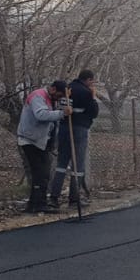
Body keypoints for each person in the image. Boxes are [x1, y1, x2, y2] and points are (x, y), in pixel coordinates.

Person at [47, 70, 100, 209]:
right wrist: (93, 97)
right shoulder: (85, 92)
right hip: (79, 129)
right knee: (78, 165)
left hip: (63, 128)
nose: (92, 84)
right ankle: (74, 199)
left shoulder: (67, 88)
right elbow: (94, 112)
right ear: (88, 80)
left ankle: (54, 197)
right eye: (92, 81)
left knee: (61, 164)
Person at [16, 79, 70, 213]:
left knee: (42, 173)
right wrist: (62, 113)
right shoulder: (38, 96)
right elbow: (41, 115)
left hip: (40, 141)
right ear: (52, 89)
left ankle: (36, 203)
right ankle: (38, 204)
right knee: (41, 172)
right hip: (30, 140)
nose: (58, 99)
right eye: (58, 95)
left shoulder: (50, 99)